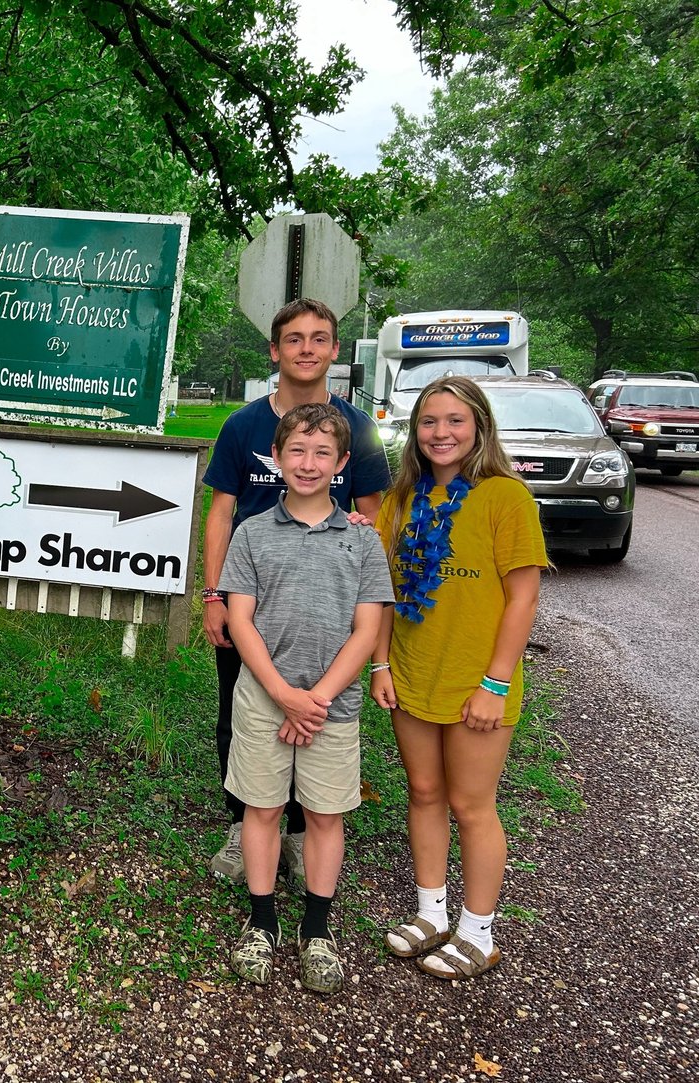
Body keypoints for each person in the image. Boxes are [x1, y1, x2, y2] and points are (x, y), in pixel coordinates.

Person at [201, 299, 390, 886]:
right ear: (274, 350)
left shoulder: (359, 429)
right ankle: (247, 823)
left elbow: (372, 516)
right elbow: (222, 512)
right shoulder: (243, 425)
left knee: (320, 713)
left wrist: (359, 530)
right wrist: (213, 594)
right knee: (241, 712)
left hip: (327, 606)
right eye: (294, 338)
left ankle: (306, 830)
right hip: (251, 602)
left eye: (319, 338)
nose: (306, 349)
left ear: (335, 350)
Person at [370, 376, 545, 981]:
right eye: (428, 421)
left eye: (454, 421)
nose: (440, 433)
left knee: (471, 805)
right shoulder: (401, 500)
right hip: (412, 673)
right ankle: (431, 914)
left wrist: (495, 684)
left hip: (478, 682)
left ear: (479, 428)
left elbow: (523, 598)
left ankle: (477, 933)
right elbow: (382, 591)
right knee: (423, 792)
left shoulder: (505, 497)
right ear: (414, 431)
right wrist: (381, 663)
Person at [219, 403, 393, 993]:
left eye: (323, 453)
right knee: (262, 809)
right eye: (296, 450)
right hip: (263, 699)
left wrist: (313, 698)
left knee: (323, 814)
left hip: (331, 708)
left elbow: (366, 629)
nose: (309, 463)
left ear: (342, 464)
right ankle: (262, 921)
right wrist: (281, 693)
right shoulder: (251, 533)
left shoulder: (363, 541)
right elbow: (241, 620)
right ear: (276, 458)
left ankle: (316, 929)